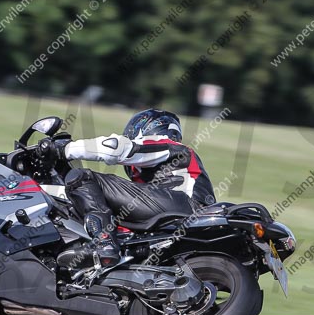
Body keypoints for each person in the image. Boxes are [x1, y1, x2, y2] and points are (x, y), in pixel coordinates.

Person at [52, 109, 215, 270]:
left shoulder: (172, 148)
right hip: (178, 214)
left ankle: (103, 243)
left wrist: (65, 149)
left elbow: (116, 148)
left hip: (185, 208)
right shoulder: (162, 166)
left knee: (80, 177)